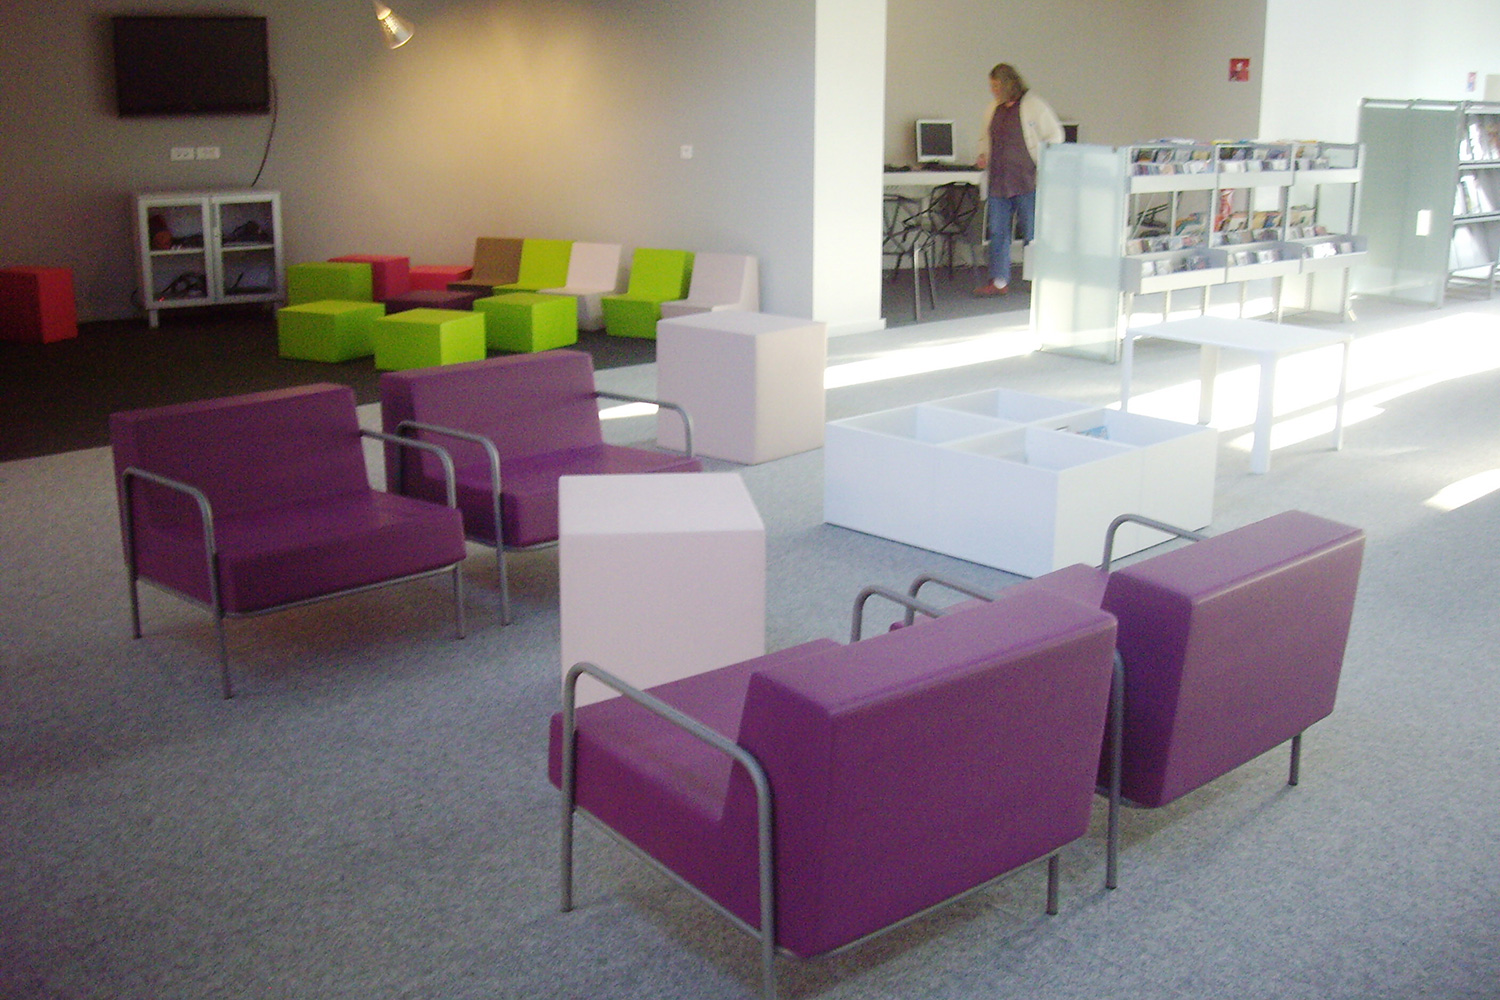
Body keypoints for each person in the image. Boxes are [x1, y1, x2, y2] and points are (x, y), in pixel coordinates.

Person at [974, 63, 1063, 297]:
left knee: (1032, 234)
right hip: (998, 182)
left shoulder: (1034, 106)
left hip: (1027, 181)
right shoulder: (993, 109)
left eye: (996, 86)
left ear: (1008, 84)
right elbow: (985, 138)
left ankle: (1039, 280)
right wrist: (983, 155)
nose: (993, 91)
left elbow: (1055, 135)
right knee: (998, 233)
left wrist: (1044, 161)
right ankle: (999, 281)